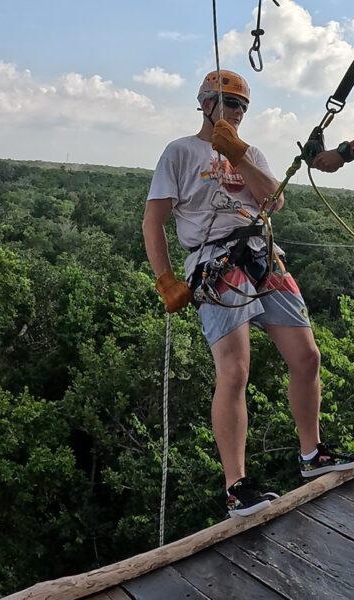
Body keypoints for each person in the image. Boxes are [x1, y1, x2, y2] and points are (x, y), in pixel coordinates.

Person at [142, 69, 354, 518]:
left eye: (242, 106)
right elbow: (153, 221)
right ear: (206, 103)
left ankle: (312, 454)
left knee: (307, 355)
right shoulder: (179, 152)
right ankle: (236, 485)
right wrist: (165, 279)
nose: (236, 112)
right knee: (235, 370)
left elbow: (272, 202)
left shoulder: (251, 151)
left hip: (259, 250)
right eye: (228, 103)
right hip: (214, 260)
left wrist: (237, 155)